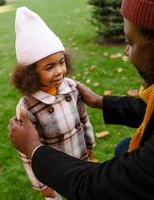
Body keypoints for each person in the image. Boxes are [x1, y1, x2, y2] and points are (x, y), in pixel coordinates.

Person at [9, 0, 154, 199]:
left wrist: (34, 149)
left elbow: (103, 189)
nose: (126, 53)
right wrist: (102, 102)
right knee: (123, 147)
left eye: (130, 42)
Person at [11, 7, 95, 200]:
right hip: (51, 173)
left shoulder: (72, 88)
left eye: (61, 62)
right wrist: (40, 183)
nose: (59, 71)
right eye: (49, 67)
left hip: (80, 161)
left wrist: (89, 144)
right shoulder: (27, 108)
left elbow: (83, 119)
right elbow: (26, 151)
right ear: (30, 73)